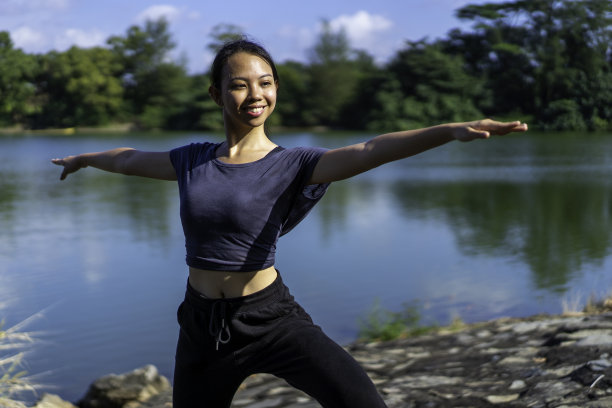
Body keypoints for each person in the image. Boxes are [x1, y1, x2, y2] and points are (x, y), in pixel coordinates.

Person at [52, 38, 528, 408]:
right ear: (217, 93)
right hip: (201, 326)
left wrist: (446, 131)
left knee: (360, 401)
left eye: (266, 82)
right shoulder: (193, 160)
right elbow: (131, 157)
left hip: (270, 318)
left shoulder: (295, 164)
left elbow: (370, 149)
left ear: (276, 88)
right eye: (239, 84)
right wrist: (84, 158)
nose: (255, 94)